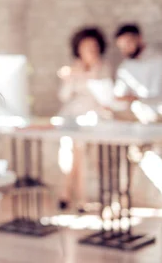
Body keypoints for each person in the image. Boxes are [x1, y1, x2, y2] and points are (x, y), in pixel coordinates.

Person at [56, 27, 111, 211]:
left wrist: (85, 75)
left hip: (92, 120)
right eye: (85, 47)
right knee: (70, 155)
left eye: (93, 47)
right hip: (71, 117)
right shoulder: (73, 67)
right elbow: (64, 96)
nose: (89, 51)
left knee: (81, 156)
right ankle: (70, 195)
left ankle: (79, 198)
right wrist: (71, 77)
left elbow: (105, 96)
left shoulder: (103, 67)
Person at [113, 23, 162, 122]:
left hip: (161, 114)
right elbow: (119, 92)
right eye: (122, 47)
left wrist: (133, 97)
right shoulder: (125, 66)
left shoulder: (160, 61)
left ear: (139, 38)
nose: (125, 49)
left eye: (128, 44)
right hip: (137, 115)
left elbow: (156, 94)